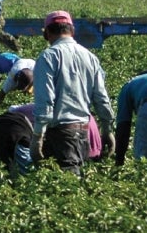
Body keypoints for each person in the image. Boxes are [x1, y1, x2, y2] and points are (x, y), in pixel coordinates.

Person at [32, 10, 114, 175]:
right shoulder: (90, 57)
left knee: (65, 189)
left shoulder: (48, 57)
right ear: (72, 30)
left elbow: (45, 100)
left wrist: (37, 137)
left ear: (47, 33)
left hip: (60, 134)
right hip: (83, 132)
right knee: (76, 186)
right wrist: (108, 129)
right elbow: (101, 98)